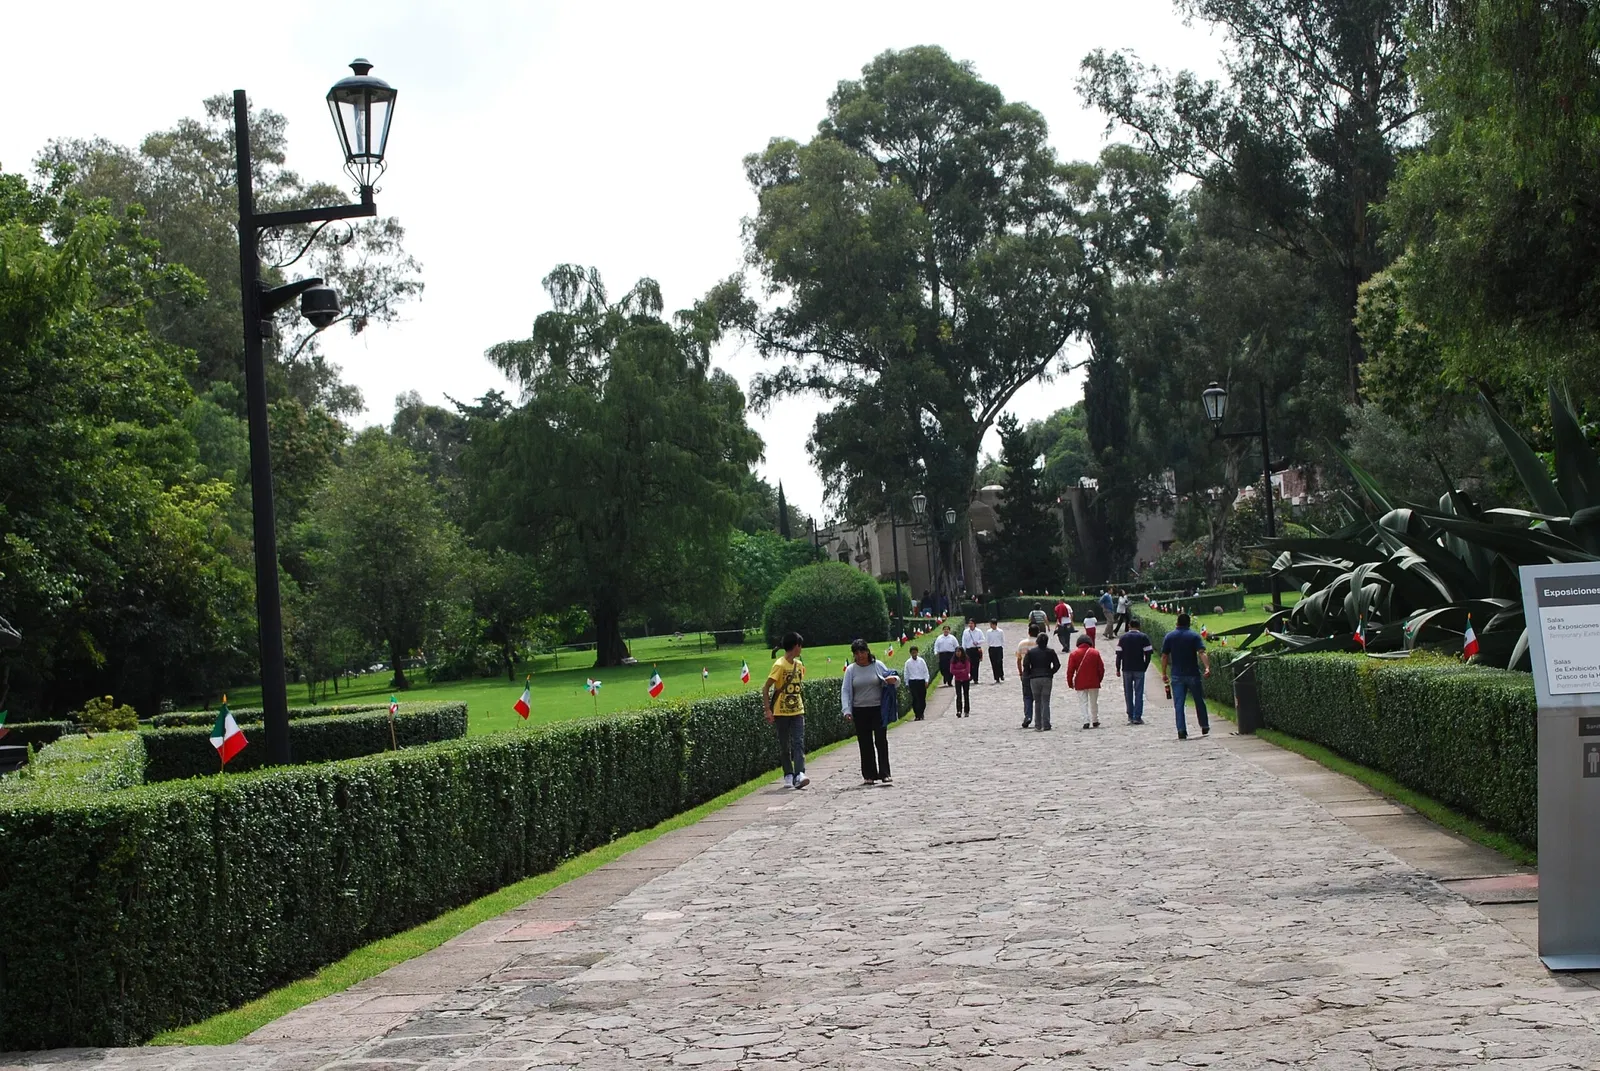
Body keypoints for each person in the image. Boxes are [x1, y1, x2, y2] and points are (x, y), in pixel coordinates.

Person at [841, 639, 901, 783]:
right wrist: (847, 710)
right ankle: (869, 775)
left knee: (881, 740)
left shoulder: (877, 665)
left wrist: (894, 679)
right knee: (865, 742)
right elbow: (846, 690)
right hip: (860, 710)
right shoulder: (851, 670)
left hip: (878, 709)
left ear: (868, 651)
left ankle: (885, 773)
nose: (860, 655)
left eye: (862, 652)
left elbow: (893, 677)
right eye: (857, 653)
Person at [762, 631, 810, 789]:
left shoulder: (799, 665)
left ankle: (800, 773)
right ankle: (788, 773)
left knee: (798, 742)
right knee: (784, 745)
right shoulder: (779, 665)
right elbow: (766, 687)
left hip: (797, 710)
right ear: (796, 646)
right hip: (781, 711)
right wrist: (768, 710)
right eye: (800, 645)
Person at [1161, 612, 1213, 740]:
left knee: (1179, 704)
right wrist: (1207, 667)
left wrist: (1163, 673)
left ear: (1177, 623)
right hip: (1193, 673)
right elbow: (1202, 653)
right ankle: (1204, 724)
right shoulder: (1194, 636)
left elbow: (1164, 656)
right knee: (1199, 701)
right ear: (1189, 623)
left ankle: (1181, 730)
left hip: (1177, 674)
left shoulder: (1170, 637)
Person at [1115, 615, 1154, 725]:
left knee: (1128, 693)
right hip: (1139, 668)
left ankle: (1130, 715)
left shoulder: (1123, 638)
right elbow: (1148, 654)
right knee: (1139, 692)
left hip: (1126, 668)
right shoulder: (1143, 637)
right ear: (1139, 626)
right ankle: (1137, 716)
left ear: (1129, 626)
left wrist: (1118, 668)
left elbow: (1119, 655)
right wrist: (1145, 666)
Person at [1022, 632, 1060, 731]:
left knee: (1037, 701)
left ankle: (1038, 724)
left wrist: (1030, 673)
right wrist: (1051, 672)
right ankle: (1046, 723)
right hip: (1047, 677)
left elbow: (1025, 665)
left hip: (1034, 678)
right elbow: (1057, 665)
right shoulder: (1050, 652)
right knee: (1046, 701)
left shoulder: (1031, 652)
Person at [1066, 633, 1105, 729]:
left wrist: (1070, 682)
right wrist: (1098, 679)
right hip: (1094, 681)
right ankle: (1095, 720)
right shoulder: (1095, 653)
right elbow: (1101, 669)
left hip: (1080, 681)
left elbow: (1070, 670)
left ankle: (1086, 720)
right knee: (1094, 702)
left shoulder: (1074, 654)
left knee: (1083, 702)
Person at [1016, 623, 1041, 728]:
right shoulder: (1040, 644)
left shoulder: (1022, 644)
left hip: (1027, 672)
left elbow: (1018, 659)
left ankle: (1028, 716)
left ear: (1028, 632)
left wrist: (1020, 672)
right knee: (1039, 696)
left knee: (1027, 696)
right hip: (1038, 672)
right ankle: (1039, 718)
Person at [902, 645, 931, 720]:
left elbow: (925, 671)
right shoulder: (908, 662)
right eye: (912, 653)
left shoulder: (921, 661)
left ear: (917, 652)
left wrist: (926, 680)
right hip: (913, 682)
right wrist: (907, 683)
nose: (914, 654)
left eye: (915, 653)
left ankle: (921, 713)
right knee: (915, 699)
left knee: (922, 698)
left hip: (921, 681)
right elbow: (906, 673)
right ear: (910, 653)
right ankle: (917, 714)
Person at [951, 647, 973, 716]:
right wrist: (961, 671)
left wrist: (958, 671)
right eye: (957, 652)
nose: (958, 653)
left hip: (965, 679)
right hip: (957, 679)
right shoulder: (953, 660)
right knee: (958, 695)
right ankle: (959, 710)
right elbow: (952, 670)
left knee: (966, 695)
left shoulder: (966, 659)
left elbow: (967, 670)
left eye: (959, 651)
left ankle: (966, 711)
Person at [985, 619, 1006, 683]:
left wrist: (1002, 646)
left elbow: (1002, 639)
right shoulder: (988, 632)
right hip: (992, 648)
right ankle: (996, 677)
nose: (990, 625)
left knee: (999, 662)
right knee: (993, 663)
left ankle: (1001, 674)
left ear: (994, 624)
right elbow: (987, 640)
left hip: (999, 648)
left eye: (991, 624)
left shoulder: (1000, 631)